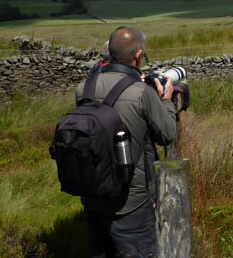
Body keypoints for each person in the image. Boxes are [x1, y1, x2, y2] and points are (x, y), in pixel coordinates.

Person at [76, 26, 177, 258]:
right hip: (132, 203)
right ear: (138, 55)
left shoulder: (84, 89)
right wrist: (166, 102)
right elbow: (167, 134)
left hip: (93, 196)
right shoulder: (141, 93)